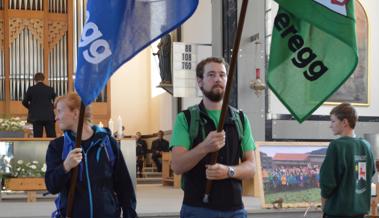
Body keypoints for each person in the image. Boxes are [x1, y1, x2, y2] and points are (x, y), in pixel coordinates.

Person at [170, 57, 256, 218]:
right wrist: (205, 147)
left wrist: (228, 171)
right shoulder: (186, 119)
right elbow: (177, 166)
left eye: (222, 75)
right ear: (200, 81)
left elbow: (251, 167)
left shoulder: (241, 119)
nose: (218, 79)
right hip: (197, 209)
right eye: (211, 74)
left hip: (235, 210)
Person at [45, 93, 137, 218]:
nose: (56, 117)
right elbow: (52, 186)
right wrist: (65, 166)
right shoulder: (58, 146)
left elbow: (124, 185)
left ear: (76, 113)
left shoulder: (107, 143)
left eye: (59, 111)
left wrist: (129, 214)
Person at [320, 102, 375, 218]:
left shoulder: (336, 146)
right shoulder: (367, 146)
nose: (330, 125)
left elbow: (327, 182)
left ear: (345, 122)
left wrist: (324, 206)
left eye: (333, 121)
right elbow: (371, 173)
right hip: (360, 212)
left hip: (338, 213)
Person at [22, 72, 56, 137]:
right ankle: (53, 147)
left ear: (35, 79)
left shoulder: (31, 89)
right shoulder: (50, 89)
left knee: (37, 137)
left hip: (35, 117)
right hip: (49, 116)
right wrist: (52, 107)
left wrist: (31, 108)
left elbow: (24, 102)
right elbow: (56, 101)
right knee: (51, 136)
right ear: (43, 79)